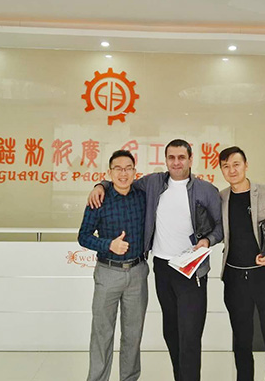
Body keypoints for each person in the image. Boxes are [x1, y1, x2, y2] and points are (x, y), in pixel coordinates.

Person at [88, 139, 223, 381]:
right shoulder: (153, 183)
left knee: (190, 335)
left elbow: (221, 227)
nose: (176, 162)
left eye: (181, 157)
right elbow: (123, 181)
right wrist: (100, 185)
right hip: (163, 267)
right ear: (166, 160)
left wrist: (208, 240)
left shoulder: (206, 190)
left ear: (190, 159)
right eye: (171, 157)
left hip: (191, 270)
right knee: (171, 331)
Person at [218, 146, 265, 381]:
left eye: (236, 164)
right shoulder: (221, 197)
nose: (232, 170)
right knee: (241, 342)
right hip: (235, 278)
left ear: (246, 165)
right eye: (226, 166)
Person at [78, 149, 148, 381]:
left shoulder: (142, 196)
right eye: (118, 169)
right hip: (108, 273)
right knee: (102, 333)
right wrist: (109, 245)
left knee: (133, 335)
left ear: (135, 172)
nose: (123, 173)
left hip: (137, 273)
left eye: (128, 168)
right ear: (109, 173)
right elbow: (83, 236)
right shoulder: (99, 199)